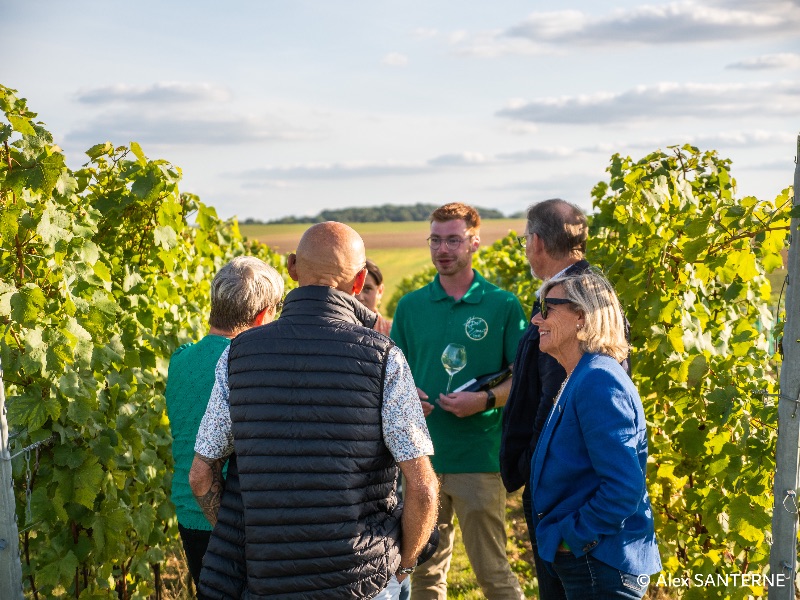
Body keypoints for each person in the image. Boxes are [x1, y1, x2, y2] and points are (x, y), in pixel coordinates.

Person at [191, 221, 439, 599]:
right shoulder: (384, 357)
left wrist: (249, 538)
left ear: (291, 268)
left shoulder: (237, 355)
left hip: (264, 579)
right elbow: (422, 486)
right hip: (361, 579)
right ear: (358, 284)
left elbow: (200, 475)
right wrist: (404, 566)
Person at [391, 202, 527, 600]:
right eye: (435, 239)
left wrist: (484, 400)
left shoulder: (501, 305)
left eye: (453, 239)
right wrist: (409, 395)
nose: (442, 249)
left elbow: (523, 381)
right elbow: (393, 376)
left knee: (492, 573)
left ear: (475, 242)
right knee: (425, 575)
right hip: (420, 463)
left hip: (477, 461)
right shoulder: (410, 306)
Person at [529, 270, 661, 598]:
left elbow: (622, 487)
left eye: (547, 308)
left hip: (598, 564)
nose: (535, 319)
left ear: (581, 316)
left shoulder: (598, 380)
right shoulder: (582, 375)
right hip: (590, 562)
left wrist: (573, 538)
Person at [164, 256, 283, 590]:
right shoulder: (250, 366)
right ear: (263, 316)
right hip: (234, 518)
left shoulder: (180, 358)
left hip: (189, 513)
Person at [499, 199, 590, 600]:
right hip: (566, 473)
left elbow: (554, 398)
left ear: (535, 242)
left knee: (562, 588)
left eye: (524, 241)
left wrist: (531, 465)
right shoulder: (583, 289)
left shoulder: (568, 299)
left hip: (560, 481)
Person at [357, 259, 393, 335]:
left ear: (380, 291)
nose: (360, 297)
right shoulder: (334, 332)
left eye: (367, 289)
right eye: (354, 289)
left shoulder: (394, 333)